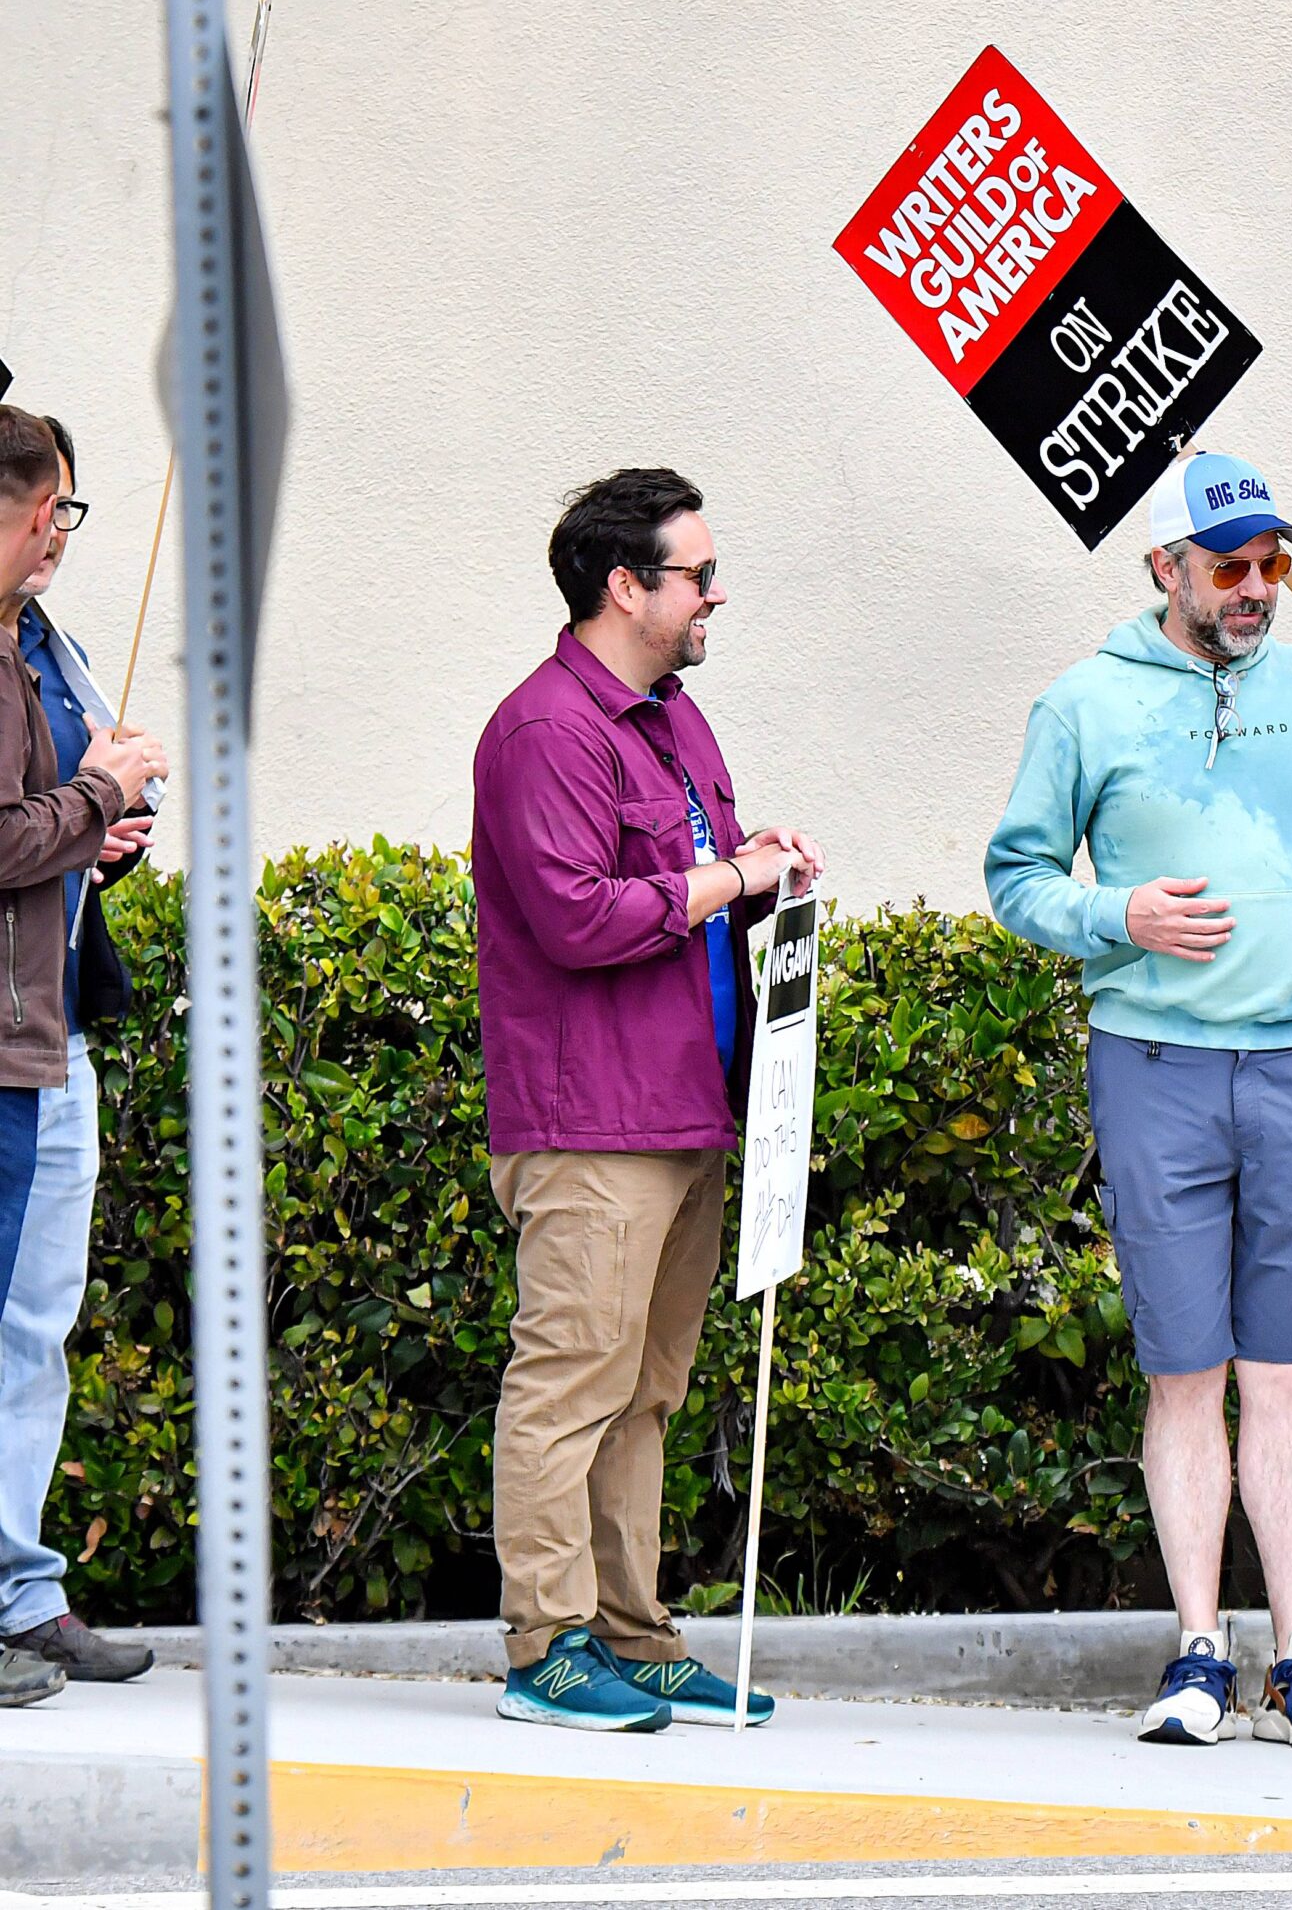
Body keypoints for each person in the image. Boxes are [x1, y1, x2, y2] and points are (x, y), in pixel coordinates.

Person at [985, 452, 1292, 1752]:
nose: (1255, 589)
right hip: (1155, 1066)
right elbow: (1016, 875)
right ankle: (1200, 1647)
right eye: (1228, 565)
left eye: (1270, 566)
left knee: (1285, 1373)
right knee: (1186, 1372)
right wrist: (1115, 913)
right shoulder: (1083, 702)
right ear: (1163, 569)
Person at [472, 467, 823, 1733]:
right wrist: (728, 876)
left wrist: (758, 872)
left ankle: (632, 1630)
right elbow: (576, 916)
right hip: (591, 1121)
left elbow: (692, 880)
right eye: (696, 574)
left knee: (646, 1391)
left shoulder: (672, 719)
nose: (713, 592)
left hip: (685, 1109)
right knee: (571, 1382)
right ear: (627, 586)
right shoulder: (544, 731)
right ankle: (546, 1646)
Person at [0, 407, 164, 1711]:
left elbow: (43, 828)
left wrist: (101, 825)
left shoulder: (43, 646)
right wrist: (95, 798)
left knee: (34, 1327)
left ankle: (21, 1588)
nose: (63, 528)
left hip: (52, 1028)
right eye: (55, 503)